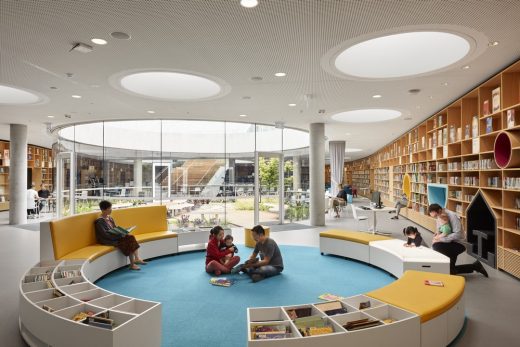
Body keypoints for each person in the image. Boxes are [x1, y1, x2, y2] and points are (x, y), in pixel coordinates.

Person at [428, 203, 488, 277]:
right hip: (450, 243)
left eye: (436, 216)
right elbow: (440, 230)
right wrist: (436, 235)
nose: (436, 218)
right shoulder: (439, 217)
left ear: (440, 211)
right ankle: (475, 266)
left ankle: (472, 266)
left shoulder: (452, 216)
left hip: (459, 243)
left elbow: (457, 235)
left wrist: (441, 239)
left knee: (437, 246)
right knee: (450, 271)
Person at [94, 200, 146, 271]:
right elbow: (105, 235)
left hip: (115, 237)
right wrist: (120, 236)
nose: (111, 210)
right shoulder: (99, 222)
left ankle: (136, 259)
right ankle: (133, 264)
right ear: (103, 210)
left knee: (130, 237)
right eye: (109, 208)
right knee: (128, 241)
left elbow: (115, 228)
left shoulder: (110, 218)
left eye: (110, 208)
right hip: (107, 240)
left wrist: (123, 232)